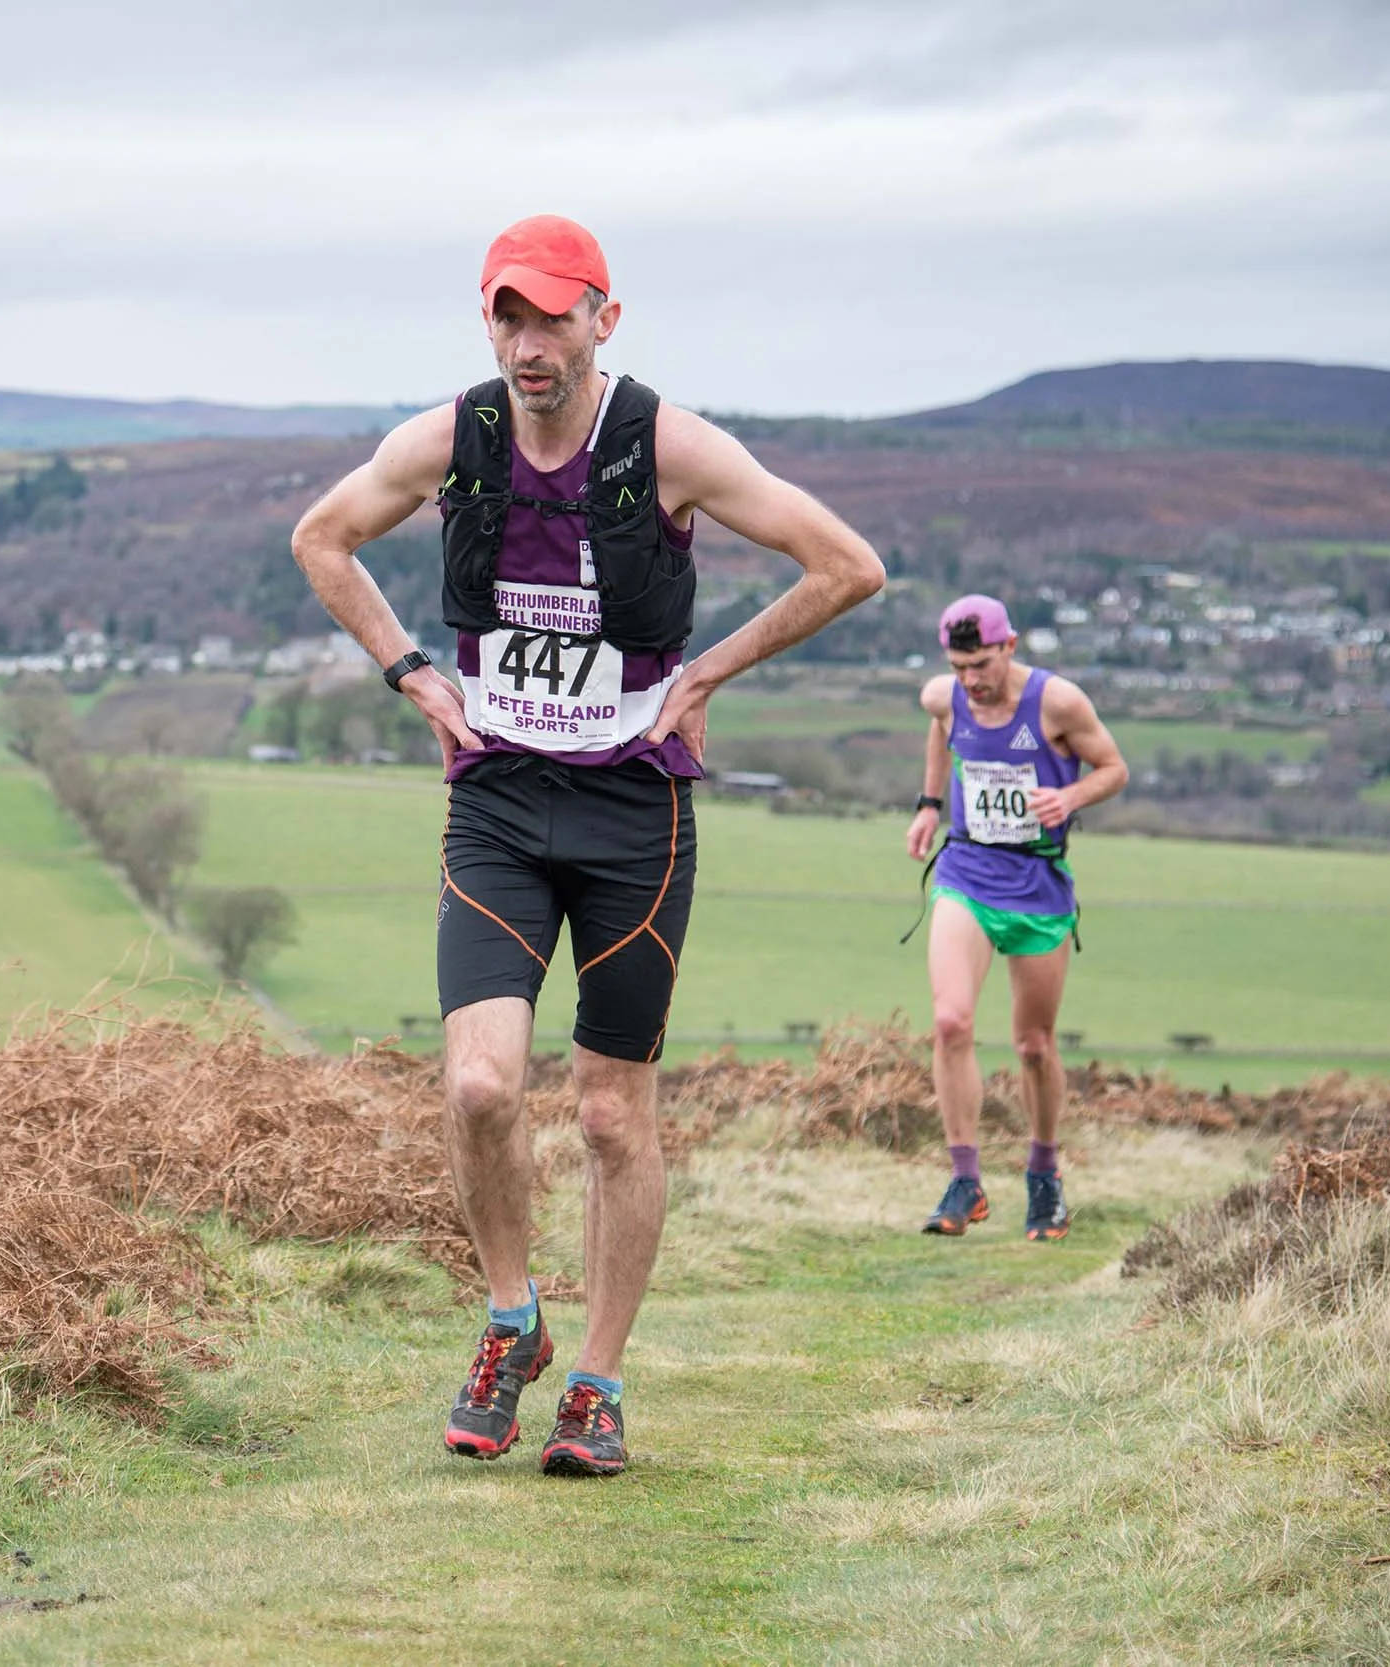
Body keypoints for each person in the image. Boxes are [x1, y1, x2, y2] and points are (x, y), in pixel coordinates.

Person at [290, 215, 883, 1476]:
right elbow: (321, 537)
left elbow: (848, 565)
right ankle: (513, 1323)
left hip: (630, 815)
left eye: (552, 314)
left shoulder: (665, 441)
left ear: (603, 319)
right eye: (508, 313)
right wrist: (408, 671)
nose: (528, 339)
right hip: (498, 796)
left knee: (613, 1116)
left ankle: (600, 1384)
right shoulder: (452, 438)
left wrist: (713, 667)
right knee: (479, 1085)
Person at [903, 595, 1128, 1241]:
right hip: (968, 873)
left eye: (980, 663)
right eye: (958, 664)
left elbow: (1114, 767)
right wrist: (927, 803)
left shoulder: (1059, 703)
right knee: (950, 1022)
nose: (971, 678)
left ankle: (1044, 1172)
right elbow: (941, 730)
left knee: (1033, 1044)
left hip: (1038, 884)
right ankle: (965, 1178)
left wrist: (1071, 794)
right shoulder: (943, 697)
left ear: (1009, 646)